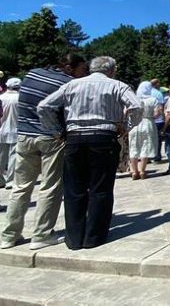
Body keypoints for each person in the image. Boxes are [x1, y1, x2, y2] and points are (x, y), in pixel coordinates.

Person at [37, 56, 142, 250]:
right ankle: (94, 237)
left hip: (75, 138)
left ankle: (74, 239)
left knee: (74, 190)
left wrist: (57, 131)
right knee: (100, 189)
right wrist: (125, 127)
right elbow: (136, 106)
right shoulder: (118, 86)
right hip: (103, 137)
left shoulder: (71, 85)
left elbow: (44, 106)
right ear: (112, 70)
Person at [0, 54, 88, 250]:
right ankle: (42, 234)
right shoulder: (69, 83)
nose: (84, 73)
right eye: (83, 69)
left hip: (23, 136)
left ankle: (9, 235)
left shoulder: (32, 74)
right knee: (50, 187)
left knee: (20, 187)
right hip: (50, 138)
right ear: (70, 67)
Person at [128, 81, 160, 180]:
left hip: (134, 124)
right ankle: (142, 171)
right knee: (145, 146)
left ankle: (134, 171)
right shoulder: (153, 100)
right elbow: (157, 114)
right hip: (147, 122)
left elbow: (126, 112)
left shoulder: (132, 99)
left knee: (133, 146)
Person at [0, 77, 21, 190]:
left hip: (1, 129)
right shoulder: (20, 98)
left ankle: (0, 180)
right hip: (15, 130)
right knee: (13, 157)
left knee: (1, 157)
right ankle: (10, 181)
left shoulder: (1, 97)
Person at [149, 79, 165, 163]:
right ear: (156, 84)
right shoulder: (158, 93)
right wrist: (164, 118)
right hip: (158, 120)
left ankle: (147, 157)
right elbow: (161, 107)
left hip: (147, 119)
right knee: (158, 139)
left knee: (148, 139)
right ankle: (157, 156)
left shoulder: (145, 93)